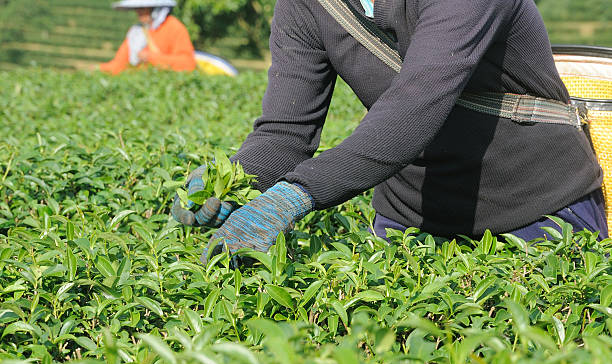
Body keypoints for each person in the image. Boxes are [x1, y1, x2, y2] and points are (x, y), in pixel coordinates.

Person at [172, 0, 607, 262]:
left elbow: (414, 107)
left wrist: (292, 196)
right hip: (410, 219)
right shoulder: (308, 6)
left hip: (534, 207)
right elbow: (284, 135)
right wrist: (230, 181)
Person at [100, 0, 196, 75]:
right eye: (137, 8)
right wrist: (99, 69)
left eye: (142, 8)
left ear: (155, 9)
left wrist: (151, 57)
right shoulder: (136, 31)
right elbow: (119, 63)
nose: (138, 12)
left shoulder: (174, 27)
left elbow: (187, 64)